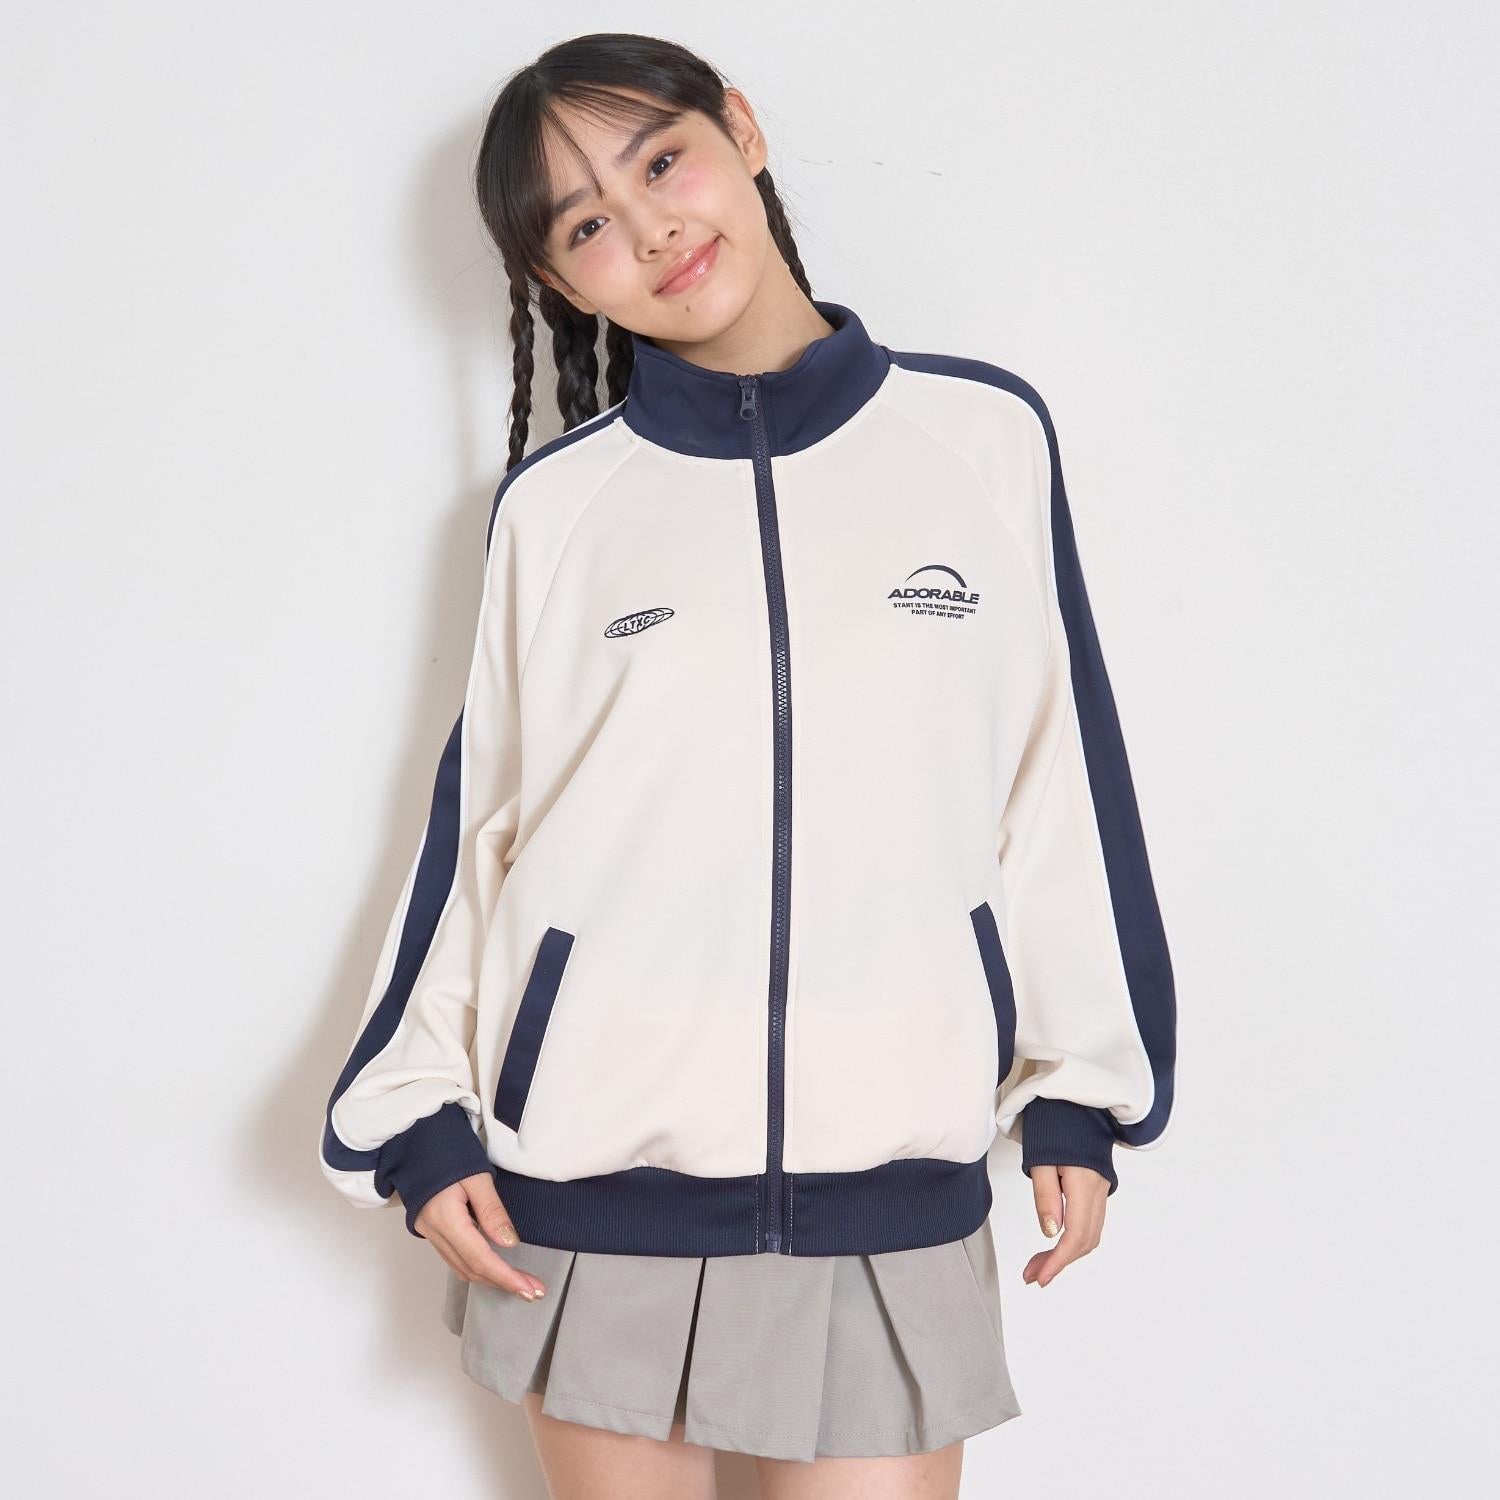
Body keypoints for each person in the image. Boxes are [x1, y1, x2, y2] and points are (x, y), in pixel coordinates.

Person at [319, 30, 1177, 1498]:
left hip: (890, 1194)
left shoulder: (981, 440)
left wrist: (1079, 1082)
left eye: (663, 162)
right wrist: (415, 1115)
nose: (651, 228)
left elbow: (1060, 783)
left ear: (742, 130)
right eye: (586, 225)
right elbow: (482, 831)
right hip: (589, 1195)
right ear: (559, 283)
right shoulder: (556, 511)